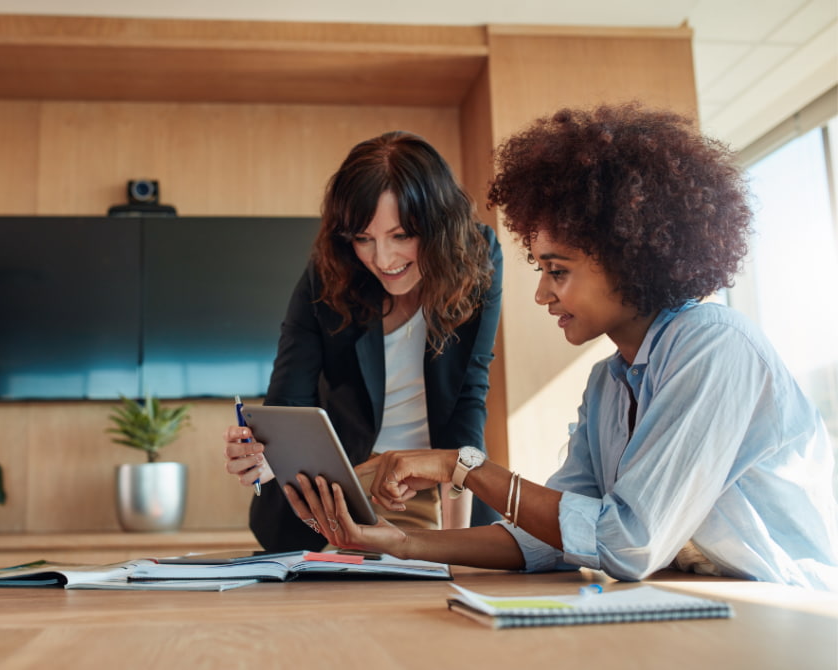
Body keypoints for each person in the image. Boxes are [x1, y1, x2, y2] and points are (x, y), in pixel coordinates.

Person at [285, 103, 838, 590]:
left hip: (785, 606)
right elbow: (549, 539)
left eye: (558, 271)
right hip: (697, 600)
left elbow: (627, 543)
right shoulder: (607, 385)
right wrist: (402, 544)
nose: (542, 293)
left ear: (628, 259)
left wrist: (463, 465)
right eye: (541, 269)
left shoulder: (714, 347)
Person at [223, 130, 503, 552]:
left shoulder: (477, 257)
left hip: (441, 488)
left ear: (440, 226)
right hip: (339, 493)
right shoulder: (330, 272)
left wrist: (457, 544)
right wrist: (264, 457)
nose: (383, 260)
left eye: (402, 235)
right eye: (363, 238)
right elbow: (289, 402)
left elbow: (468, 396)